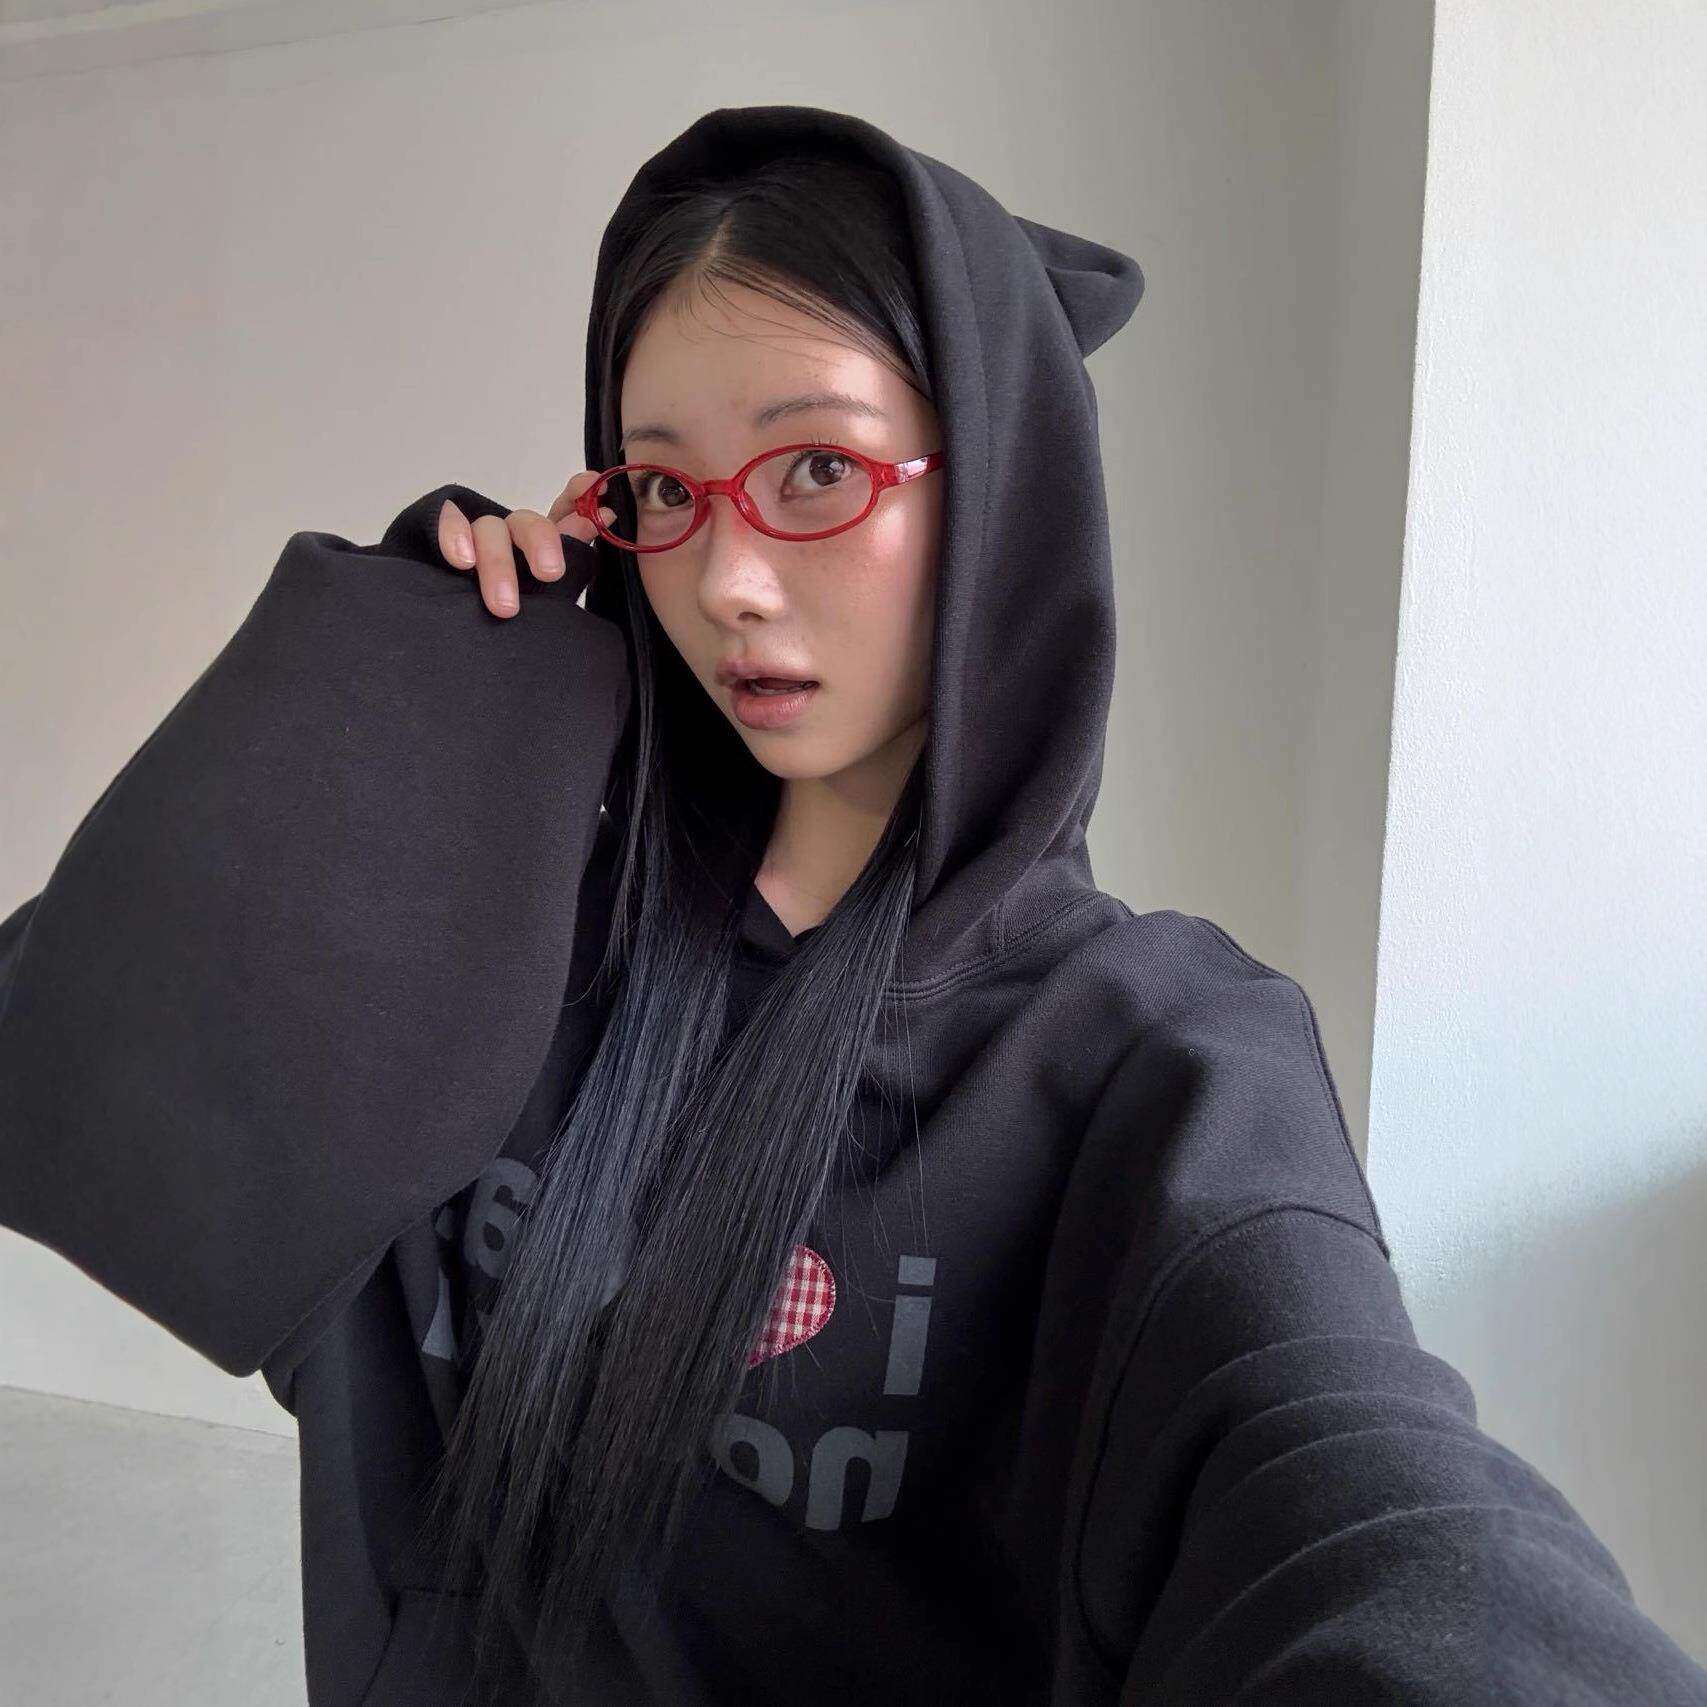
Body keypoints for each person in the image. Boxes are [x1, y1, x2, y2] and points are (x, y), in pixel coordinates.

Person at [2, 103, 1703, 1707]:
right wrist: (422, 679)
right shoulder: (519, 939)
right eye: (663, 490)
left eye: (817, 470)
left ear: (1006, 498)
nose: (727, 580)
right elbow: (79, 1072)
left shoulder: (1158, 1062)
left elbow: (1361, 1495)